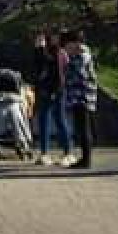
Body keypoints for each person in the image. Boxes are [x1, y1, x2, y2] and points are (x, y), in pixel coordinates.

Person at [33, 32, 72, 166]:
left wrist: (57, 89)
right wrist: (39, 49)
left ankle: (68, 152)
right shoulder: (43, 51)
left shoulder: (60, 53)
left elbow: (59, 71)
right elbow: (39, 68)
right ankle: (44, 153)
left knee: (60, 119)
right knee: (43, 120)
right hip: (44, 89)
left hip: (57, 89)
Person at [63, 30, 98, 170]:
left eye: (68, 45)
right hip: (77, 96)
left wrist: (68, 65)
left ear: (75, 43)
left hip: (83, 96)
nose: (66, 48)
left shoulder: (83, 55)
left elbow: (78, 72)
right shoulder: (78, 54)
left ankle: (86, 159)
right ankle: (84, 158)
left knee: (84, 128)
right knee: (80, 127)